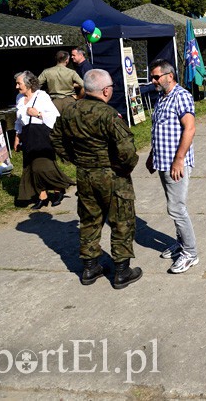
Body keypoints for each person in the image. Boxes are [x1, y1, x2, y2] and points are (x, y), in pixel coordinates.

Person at [50, 69, 142, 289]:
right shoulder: (108, 114)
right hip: (112, 176)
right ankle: (122, 271)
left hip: (85, 175)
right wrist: (122, 168)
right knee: (121, 220)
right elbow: (127, 150)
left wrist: (74, 158)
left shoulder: (70, 111)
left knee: (90, 220)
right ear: (106, 90)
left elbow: (55, 137)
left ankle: (90, 268)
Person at [146, 60, 200, 274]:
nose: (153, 81)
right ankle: (180, 243)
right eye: (152, 77)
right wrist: (152, 155)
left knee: (176, 208)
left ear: (170, 75)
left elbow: (190, 129)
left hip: (176, 164)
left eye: (156, 77)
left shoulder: (181, 96)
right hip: (163, 161)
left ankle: (191, 253)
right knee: (172, 205)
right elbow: (159, 128)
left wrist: (179, 159)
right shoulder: (161, 97)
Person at [13, 71, 74, 209]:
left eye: (19, 83)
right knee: (31, 167)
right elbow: (18, 121)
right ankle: (43, 197)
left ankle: (58, 189)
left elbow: (55, 117)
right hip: (28, 136)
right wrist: (17, 137)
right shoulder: (19, 98)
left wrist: (38, 114)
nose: (17, 87)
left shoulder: (42, 96)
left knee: (45, 166)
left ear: (29, 84)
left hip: (42, 135)